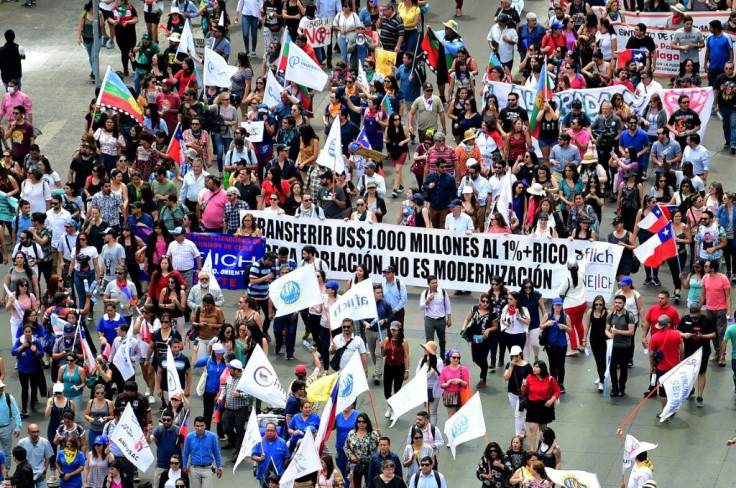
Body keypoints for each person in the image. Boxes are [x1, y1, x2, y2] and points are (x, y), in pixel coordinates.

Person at [679, 304, 716, 407]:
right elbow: (677, 332)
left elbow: (713, 335)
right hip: (689, 351)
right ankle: (691, 390)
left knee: (701, 373)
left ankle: (700, 396)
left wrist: (702, 336)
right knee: (689, 373)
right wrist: (684, 335)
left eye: (696, 316)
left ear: (700, 313)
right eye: (692, 316)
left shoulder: (707, 321)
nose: (694, 318)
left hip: (703, 351)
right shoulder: (685, 319)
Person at [520, 361, 560, 453]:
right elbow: (524, 392)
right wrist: (523, 387)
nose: (534, 368)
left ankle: (542, 449)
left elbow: (557, 391)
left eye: (537, 367)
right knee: (532, 429)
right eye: (534, 366)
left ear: (542, 368)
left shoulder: (550, 379)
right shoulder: (529, 378)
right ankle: (532, 450)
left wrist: (551, 401)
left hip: (544, 405)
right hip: (532, 405)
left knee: (542, 431)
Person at [460, 293, 497, 388]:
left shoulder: (492, 313)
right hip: (475, 338)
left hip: (486, 340)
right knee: (475, 358)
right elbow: (467, 319)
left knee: (483, 357)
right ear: (480, 301)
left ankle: (482, 379)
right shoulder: (474, 308)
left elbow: (495, 326)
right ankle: (483, 368)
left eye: (487, 302)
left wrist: (488, 329)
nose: (485, 303)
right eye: (483, 301)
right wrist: (463, 328)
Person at [648, 316, 684, 415]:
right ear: (668, 324)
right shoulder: (676, 335)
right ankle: (672, 410)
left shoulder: (655, 337)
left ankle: (665, 411)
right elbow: (681, 350)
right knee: (672, 390)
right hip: (675, 368)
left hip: (661, 369)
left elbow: (651, 354)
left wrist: (652, 367)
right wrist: (681, 362)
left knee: (663, 391)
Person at [700, 259, 731, 366]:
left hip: (721, 310)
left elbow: (728, 295)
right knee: (713, 333)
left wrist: (729, 310)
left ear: (712, 268)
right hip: (709, 309)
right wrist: (698, 308)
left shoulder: (723, 279)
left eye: (706, 266)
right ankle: (717, 352)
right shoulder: (705, 278)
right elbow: (703, 295)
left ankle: (722, 356)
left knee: (721, 332)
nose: (704, 268)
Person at [605, 295, 636, 397]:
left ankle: (622, 387)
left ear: (624, 304)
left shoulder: (629, 316)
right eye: (616, 302)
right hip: (613, 346)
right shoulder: (611, 315)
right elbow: (606, 329)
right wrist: (609, 334)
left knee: (623, 368)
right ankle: (614, 387)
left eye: (619, 303)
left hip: (625, 346)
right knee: (612, 367)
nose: (617, 305)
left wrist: (618, 331)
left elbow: (631, 332)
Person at [539, 298, 571, 394]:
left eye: (560, 305)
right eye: (556, 305)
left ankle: (561, 383)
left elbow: (570, 330)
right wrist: (547, 324)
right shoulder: (548, 315)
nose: (558, 307)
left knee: (561, 365)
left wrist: (564, 327)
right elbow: (541, 326)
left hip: (562, 344)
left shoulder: (565, 317)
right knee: (552, 365)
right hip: (550, 344)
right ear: (553, 306)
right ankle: (554, 383)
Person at [182, 416, 222, 488]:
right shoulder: (189, 437)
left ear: (205, 425)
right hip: (194, 469)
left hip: (208, 469)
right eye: (197, 426)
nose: (199, 428)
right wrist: (184, 466)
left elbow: (216, 452)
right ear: (194, 426)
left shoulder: (212, 436)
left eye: (202, 426)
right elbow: (186, 453)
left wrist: (219, 467)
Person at [419, 276, 452, 361]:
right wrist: (428, 300)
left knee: (442, 340)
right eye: (433, 283)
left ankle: (442, 357)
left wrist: (449, 318)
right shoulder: (425, 293)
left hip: (441, 319)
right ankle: (430, 357)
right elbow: (421, 307)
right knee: (429, 341)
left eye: (436, 282)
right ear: (428, 284)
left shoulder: (443, 292)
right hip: (429, 319)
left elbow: (448, 305)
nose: (435, 284)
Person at [380, 322, 410, 417]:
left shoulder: (403, 341)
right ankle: (390, 407)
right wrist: (382, 348)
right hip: (388, 367)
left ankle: (394, 409)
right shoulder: (386, 339)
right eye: (391, 329)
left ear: (399, 330)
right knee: (387, 391)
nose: (392, 331)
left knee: (397, 390)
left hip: (399, 367)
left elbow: (406, 356)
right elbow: (383, 354)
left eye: (394, 330)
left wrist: (407, 370)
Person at [251, 422, 290, 488]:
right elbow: (253, 456)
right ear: (265, 431)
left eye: (271, 430)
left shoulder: (282, 442)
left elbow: (287, 457)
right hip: (263, 474)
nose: (269, 432)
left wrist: (281, 467)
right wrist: (260, 458)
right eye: (268, 430)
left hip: (278, 475)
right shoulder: (259, 442)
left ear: (275, 431)